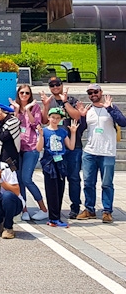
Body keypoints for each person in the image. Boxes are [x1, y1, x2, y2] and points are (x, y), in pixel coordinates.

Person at [75, 85, 126, 223]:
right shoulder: (88, 109)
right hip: (90, 152)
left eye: (95, 92)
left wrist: (110, 108)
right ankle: (89, 209)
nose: (93, 94)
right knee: (88, 183)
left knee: (107, 183)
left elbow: (123, 122)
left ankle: (107, 211)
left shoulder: (111, 108)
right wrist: (82, 117)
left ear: (101, 92)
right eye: (90, 93)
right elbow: (80, 130)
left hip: (107, 152)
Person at [45, 77, 87, 219]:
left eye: (58, 84)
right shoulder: (49, 101)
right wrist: (45, 105)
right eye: (52, 85)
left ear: (62, 85)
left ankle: (75, 207)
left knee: (74, 178)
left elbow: (77, 117)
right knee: (57, 179)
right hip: (55, 148)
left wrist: (65, 101)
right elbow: (44, 120)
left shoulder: (72, 100)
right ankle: (56, 210)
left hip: (73, 146)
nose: (55, 87)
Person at [9, 85, 49, 222]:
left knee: (27, 179)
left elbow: (35, 124)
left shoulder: (34, 107)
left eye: (27, 92)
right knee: (19, 181)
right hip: (17, 147)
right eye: (21, 92)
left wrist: (27, 110)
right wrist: (16, 109)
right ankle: (24, 209)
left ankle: (43, 209)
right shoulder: (14, 106)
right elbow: (13, 124)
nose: (24, 95)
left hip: (31, 147)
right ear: (18, 94)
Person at [37, 108, 78, 227]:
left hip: (61, 162)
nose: (55, 120)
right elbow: (38, 148)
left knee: (60, 189)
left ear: (60, 120)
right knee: (51, 190)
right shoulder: (44, 131)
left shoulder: (63, 131)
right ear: (49, 118)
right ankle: (53, 218)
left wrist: (73, 133)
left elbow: (70, 146)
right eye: (53, 117)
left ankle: (57, 217)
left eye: (58, 118)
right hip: (49, 162)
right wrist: (40, 135)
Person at [0, 100, 21, 170]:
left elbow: (3, 137)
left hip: (11, 157)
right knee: (0, 179)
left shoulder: (13, 120)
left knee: (12, 178)